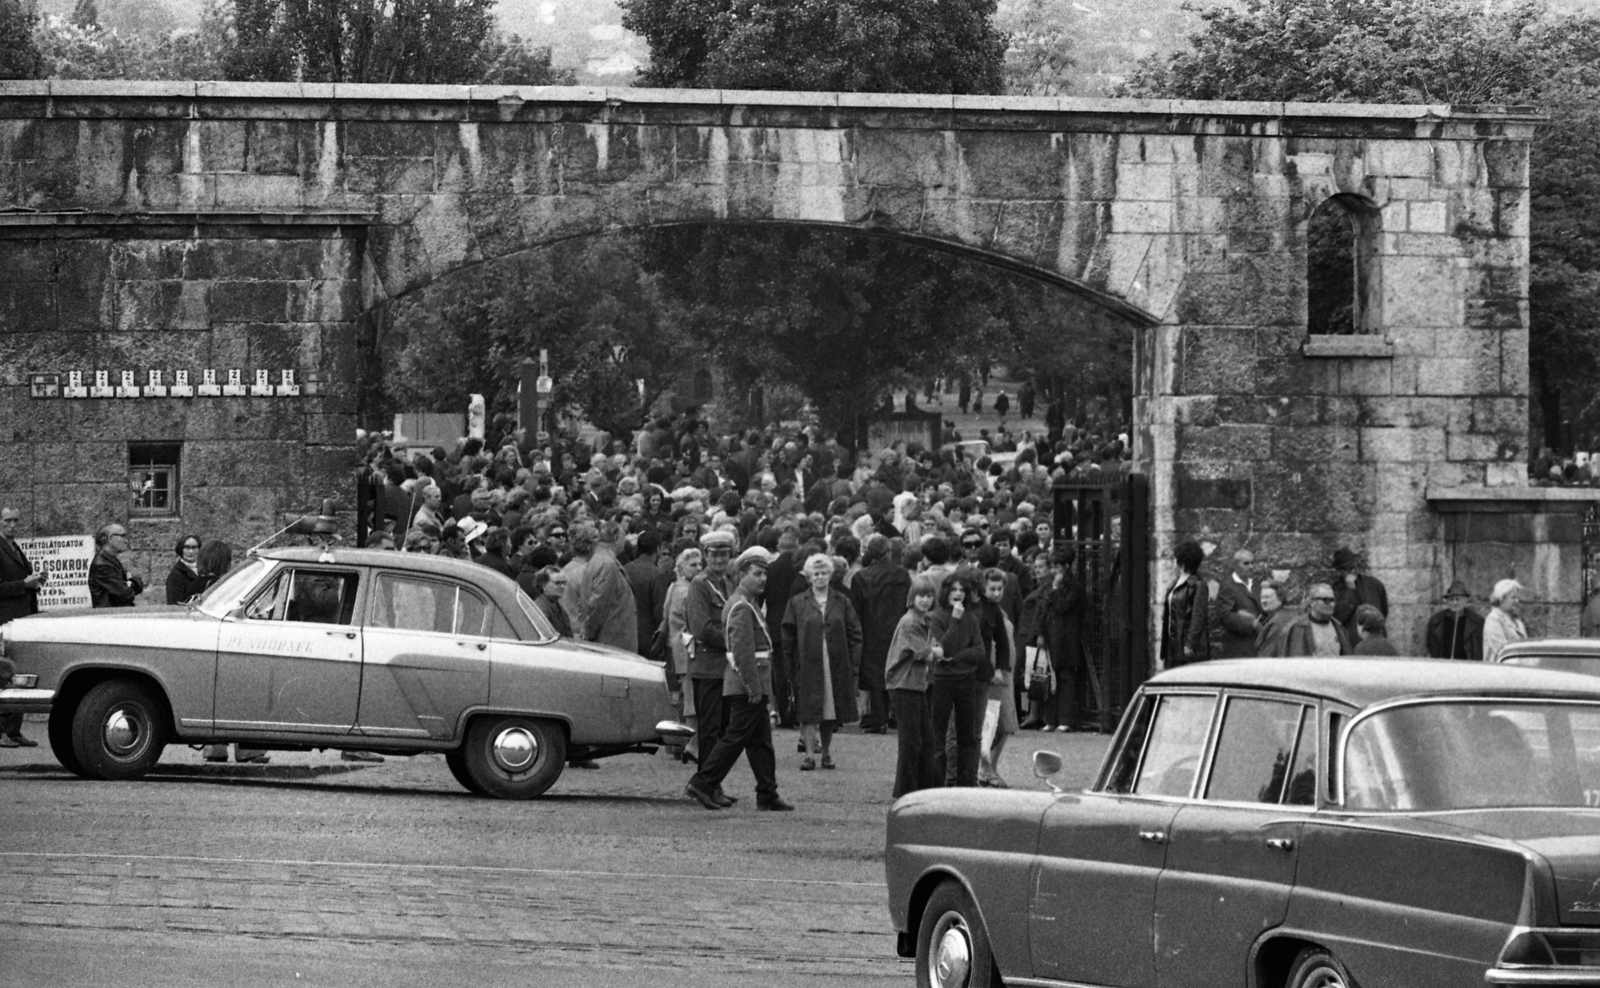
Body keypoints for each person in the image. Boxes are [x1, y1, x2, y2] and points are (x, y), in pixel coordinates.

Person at [684, 546, 793, 811]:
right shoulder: (741, 606)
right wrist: (753, 687)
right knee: (735, 738)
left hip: (753, 681)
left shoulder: (746, 603)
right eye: (757, 574)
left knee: (760, 742)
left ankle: (767, 791)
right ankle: (703, 782)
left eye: (765, 574)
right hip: (747, 683)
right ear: (742, 574)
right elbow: (741, 651)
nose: (763, 579)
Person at [781, 554, 863, 771]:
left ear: (830, 575)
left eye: (824, 573)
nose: (820, 577)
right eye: (816, 574)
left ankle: (826, 752)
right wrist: (789, 666)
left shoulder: (842, 601)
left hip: (835, 663)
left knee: (829, 710)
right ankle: (808, 755)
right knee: (807, 710)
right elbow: (787, 636)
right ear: (809, 576)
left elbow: (855, 633)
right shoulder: (797, 602)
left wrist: (854, 664)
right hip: (807, 663)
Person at [686, 530, 737, 780]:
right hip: (707, 666)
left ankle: (713, 781)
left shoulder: (726, 583)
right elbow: (702, 628)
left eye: (724, 554)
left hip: (725, 668)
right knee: (709, 729)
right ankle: (705, 783)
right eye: (714, 555)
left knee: (723, 728)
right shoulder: (700, 585)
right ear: (706, 555)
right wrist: (734, 642)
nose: (719, 559)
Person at [928, 574, 985, 787]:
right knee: (938, 735)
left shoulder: (971, 618)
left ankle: (966, 783)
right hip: (943, 681)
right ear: (946, 592)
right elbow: (944, 649)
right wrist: (955, 620)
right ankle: (937, 782)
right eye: (954, 589)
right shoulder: (938, 617)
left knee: (967, 736)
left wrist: (957, 657)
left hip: (966, 680)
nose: (959, 594)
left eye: (962, 590)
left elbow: (979, 651)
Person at [885, 575, 939, 797]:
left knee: (925, 741)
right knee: (911, 742)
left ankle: (922, 789)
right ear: (912, 597)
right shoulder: (910, 622)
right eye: (921, 595)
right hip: (903, 685)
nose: (925, 600)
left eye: (929, 596)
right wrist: (938, 650)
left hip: (915, 685)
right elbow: (925, 653)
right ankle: (905, 790)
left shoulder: (922, 620)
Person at [851, 534, 911, 734]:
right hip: (896, 627)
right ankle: (894, 714)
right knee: (895, 668)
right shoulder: (902, 575)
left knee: (874, 673)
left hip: (870, 627)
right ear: (888, 553)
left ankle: (878, 717)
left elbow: (856, 607)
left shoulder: (861, 577)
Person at [0, 506, 43, 746]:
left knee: (18, 673)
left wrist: (35, 582)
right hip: (5, 620)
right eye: (8, 520)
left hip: (20, 619)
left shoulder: (15, 547)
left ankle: (14, 730)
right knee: (4, 675)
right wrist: (23, 584)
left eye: (16, 520)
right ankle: (2, 731)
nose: (13, 525)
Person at [662, 546, 703, 761]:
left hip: (676, 648)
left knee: (682, 696)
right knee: (691, 698)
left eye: (699, 564)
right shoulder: (688, 591)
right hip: (690, 648)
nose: (698, 568)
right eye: (693, 565)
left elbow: (665, 615)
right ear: (681, 567)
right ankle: (691, 744)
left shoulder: (672, 588)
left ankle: (678, 744)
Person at [1039, 547, 1086, 731]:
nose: (1054, 569)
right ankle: (1050, 719)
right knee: (1051, 678)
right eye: (1052, 565)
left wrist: (1056, 590)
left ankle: (1065, 720)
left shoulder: (1074, 586)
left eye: (1057, 565)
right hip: (1052, 635)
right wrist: (1041, 634)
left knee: (1066, 678)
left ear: (1066, 566)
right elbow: (1043, 609)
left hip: (1067, 637)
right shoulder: (1050, 584)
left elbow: (1063, 607)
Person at [978, 568, 1018, 787]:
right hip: (993, 676)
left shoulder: (998, 611)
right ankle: (985, 768)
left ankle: (990, 766)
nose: (996, 592)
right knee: (992, 724)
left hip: (1005, 674)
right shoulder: (984, 611)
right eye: (992, 588)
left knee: (1005, 725)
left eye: (999, 588)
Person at [1161, 540, 1209, 668]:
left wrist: (1190, 644)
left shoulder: (1199, 585)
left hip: (1186, 648)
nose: (1173, 561)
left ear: (1182, 562)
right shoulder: (1175, 583)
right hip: (1172, 646)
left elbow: (1198, 617)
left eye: (1175, 558)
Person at [1331, 546, 1388, 644]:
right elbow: (1338, 618)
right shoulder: (1335, 590)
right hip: (1350, 645)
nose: (1353, 571)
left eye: (1354, 567)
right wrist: (1350, 589)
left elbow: (1383, 611)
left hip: (1376, 642)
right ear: (1340, 571)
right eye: (1347, 569)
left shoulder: (1374, 585)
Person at [1215, 548, 1263, 658]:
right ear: (1235, 565)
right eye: (1246, 563)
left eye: (1252, 563)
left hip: (1259, 644)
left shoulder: (1256, 584)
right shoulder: (1228, 586)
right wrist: (1251, 625)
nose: (1251, 566)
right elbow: (1225, 615)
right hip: (1240, 646)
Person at [1285, 583, 1351, 657]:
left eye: (1332, 600)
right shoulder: (1297, 628)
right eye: (1325, 600)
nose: (1331, 604)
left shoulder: (1339, 628)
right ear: (1312, 602)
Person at [89, 523, 143, 608]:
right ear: (110, 538)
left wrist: (130, 583)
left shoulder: (111, 561)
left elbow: (137, 583)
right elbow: (125, 594)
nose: (126, 541)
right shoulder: (101, 565)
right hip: (110, 616)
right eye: (122, 536)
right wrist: (130, 584)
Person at [1426, 580, 1483, 660]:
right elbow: (1431, 645)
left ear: (1466, 600)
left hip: (1468, 666)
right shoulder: (1436, 621)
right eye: (1451, 599)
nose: (1455, 603)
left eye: (1458, 599)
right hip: (1443, 664)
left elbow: (1479, 647)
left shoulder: (1477, 621)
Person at [1483, 578, 1528, 662]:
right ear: (1502, 598)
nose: (1516, 601)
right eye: (1513, 598)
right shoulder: (1493, 619)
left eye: (1517, 598)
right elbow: (1502, 651)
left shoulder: (1516, 620)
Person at [1253, 580, 1296, 658]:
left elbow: (1267, 655)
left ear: (1280, 599)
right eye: (1262, 597)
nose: (1263, 601)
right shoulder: (1278, 616)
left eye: (1267, 597)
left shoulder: (1279, 620)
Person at [531, 565, 574, 637]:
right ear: (544, 586)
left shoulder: (557, 606)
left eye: (564, 583)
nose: (562, 587)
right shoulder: (540, 607)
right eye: (557, 583)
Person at [165, 534, 207, 604]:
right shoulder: (175, 576)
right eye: (187, 548)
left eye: (194, 548)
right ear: (181, 549)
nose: (191, 552)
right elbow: (174, 604)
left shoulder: (205, 571)